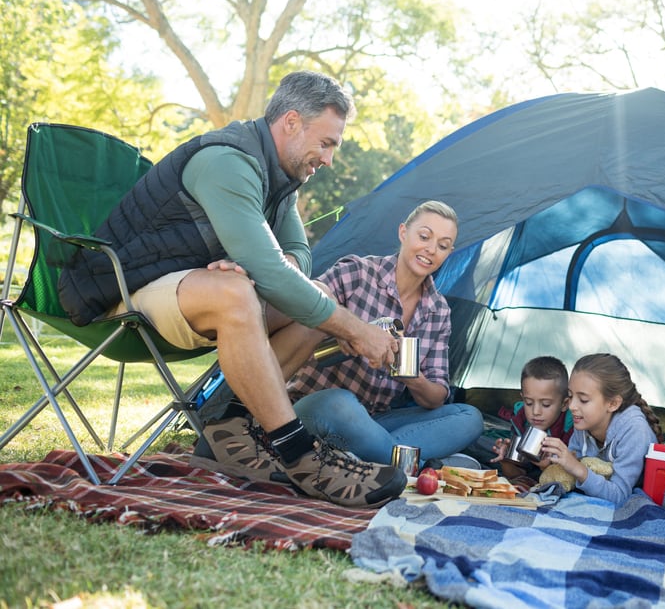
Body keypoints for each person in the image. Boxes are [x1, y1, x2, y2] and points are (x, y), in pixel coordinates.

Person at [57, 71, 407, 508]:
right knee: (239, 293)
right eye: (327, 143)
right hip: (123, 292)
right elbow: (275, 274)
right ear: (292, 122)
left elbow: (297, 256)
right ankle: (299, 455)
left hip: (186, 289)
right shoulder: (228, 161)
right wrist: (355, 330)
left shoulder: (280, 179)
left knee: (315, 295)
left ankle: (231, 425)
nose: (330, 159)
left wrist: (261, 265)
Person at [284, 200, 484, 466]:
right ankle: (415, 466)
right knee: (341, 403)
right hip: (318, 406)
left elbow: (437, 395)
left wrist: (410, 375)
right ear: (403, 232)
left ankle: (363, 457)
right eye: (424, 236)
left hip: (375, 421)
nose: (431, 249)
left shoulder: (438, 311)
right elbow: (310, 295)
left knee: (468, 417)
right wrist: (349, 329)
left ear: (449, 253)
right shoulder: (359, 272)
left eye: (443, 245)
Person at [541, 353, 662, 506]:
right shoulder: (583, 421)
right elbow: (569, 471)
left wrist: (577, 468)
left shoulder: (635, 431)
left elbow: (619, 495)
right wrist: (553, 462)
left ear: (612, 403)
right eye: (571, 396)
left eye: (583, 400)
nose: (572, 406)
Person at [490, 356, 572, 490]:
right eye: (528, 403)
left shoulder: (570, 430)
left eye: (545, 404)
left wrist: (546, 467)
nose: (536, 411)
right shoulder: (521, 422)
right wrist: (506, 460)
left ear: (564, 404)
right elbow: (518, 476)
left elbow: (568, 480)